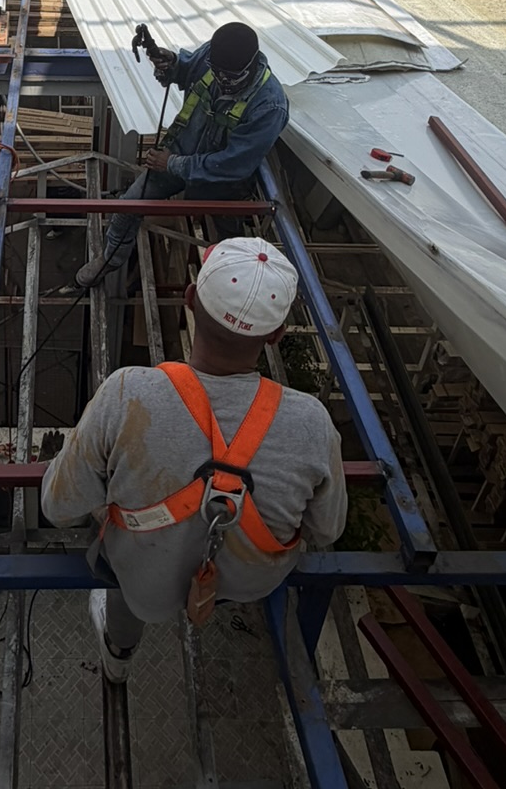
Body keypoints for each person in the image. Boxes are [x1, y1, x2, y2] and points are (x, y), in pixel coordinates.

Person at [41, 238, 346, 680]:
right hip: (250, 581)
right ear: (277, 335)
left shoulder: (127, 393)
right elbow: (326, 529)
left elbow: (57, 506)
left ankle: (118, 657)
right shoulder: (313, 423)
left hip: (146, 582)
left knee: (122, 576)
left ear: (189, 299)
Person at [75, 20, 288, 293]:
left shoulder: (269, 105)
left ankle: (230, 283)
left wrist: (171, 163)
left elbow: (233, 164)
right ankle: (109, 260)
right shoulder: (214, 54)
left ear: (250, 66)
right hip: (181, 152)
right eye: (217, 72)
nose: (221, 81)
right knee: (129, 205)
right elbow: (189, 69)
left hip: (221, 182)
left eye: (229, 78)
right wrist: (173, 64)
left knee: (228, 240)